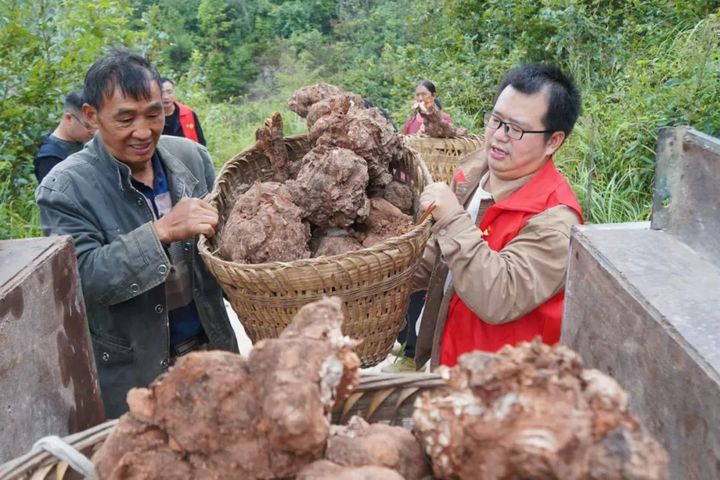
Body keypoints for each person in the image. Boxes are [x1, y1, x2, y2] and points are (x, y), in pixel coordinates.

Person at [36, 51, 238, 417]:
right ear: (91, 117)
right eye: (125, 118)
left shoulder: (192, 158)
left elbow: (224, 248)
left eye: (154, 114)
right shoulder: (64, 188)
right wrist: (159, 232)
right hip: (138, 372)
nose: (144, 132)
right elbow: (83, 282)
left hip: (212, 350)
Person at [413, 64, 583, 369]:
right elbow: (438, 256)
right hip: (449, 360)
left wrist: (452, 218)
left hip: (501, 386)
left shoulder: (556, 221)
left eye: (516, 129)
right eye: (496, 120)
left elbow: (500, 296)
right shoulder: (472, 172)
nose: (500, 136)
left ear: (553, 141)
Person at [33, 90, 96, 182]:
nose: (94, 131)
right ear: (69, 118)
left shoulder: (85, 142)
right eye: (87, 126)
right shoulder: (50, 158)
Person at [160, 77, 207, 146]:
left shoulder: (187, 113)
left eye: (169, 92)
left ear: (174, 92)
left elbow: (201, 142)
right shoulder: (150, 116)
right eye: (161, 93)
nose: (166, 97)